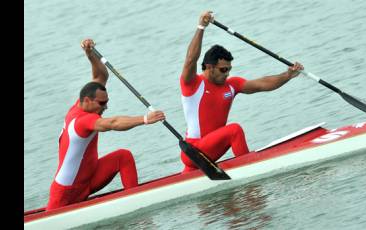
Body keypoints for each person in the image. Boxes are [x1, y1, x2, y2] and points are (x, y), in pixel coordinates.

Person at [46, 39, 166, 210]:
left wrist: (90, 55)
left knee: (123, 157)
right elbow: (113, 123)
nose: (105, 107)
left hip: (88, 179)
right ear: (87, 101)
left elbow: (100, 77)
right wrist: (145, 119)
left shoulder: (83, 103)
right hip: (65, 192)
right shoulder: (82, 121)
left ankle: (136, 202)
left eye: (106, 102)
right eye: (102, 104)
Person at [179, 11, 304, 173]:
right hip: (194, 152)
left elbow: (262, 84)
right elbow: (190, 60)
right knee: (234, 130)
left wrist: (287, 75)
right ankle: (250, 170)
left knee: (183, 182)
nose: (227, 74)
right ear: (209, 67)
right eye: (223, 69)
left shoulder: (231, 85)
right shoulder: (193, 84)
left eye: (229, 69)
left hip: (209, 152)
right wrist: (201, 27)